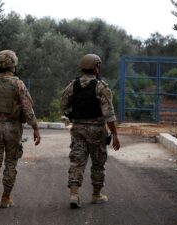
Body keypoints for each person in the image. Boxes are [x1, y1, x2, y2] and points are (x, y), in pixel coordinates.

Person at [0, 50, 41, 212]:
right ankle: (5, 198)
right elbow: (27, 108)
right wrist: (35, 128)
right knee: (11, 162)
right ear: (13, 64)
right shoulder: (18, 84)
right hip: (13, 129)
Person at [60, 53, 120, 208]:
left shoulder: (73, 85)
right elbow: (109, 114)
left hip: (78, 129)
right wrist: (114, 135)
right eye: (98, 65)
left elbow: (63, 105)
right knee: (98, 163)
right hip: (97, 130)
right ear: (95, 67)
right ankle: (96, 194)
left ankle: (74, 194)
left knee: (77, 161)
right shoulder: (101, 87)